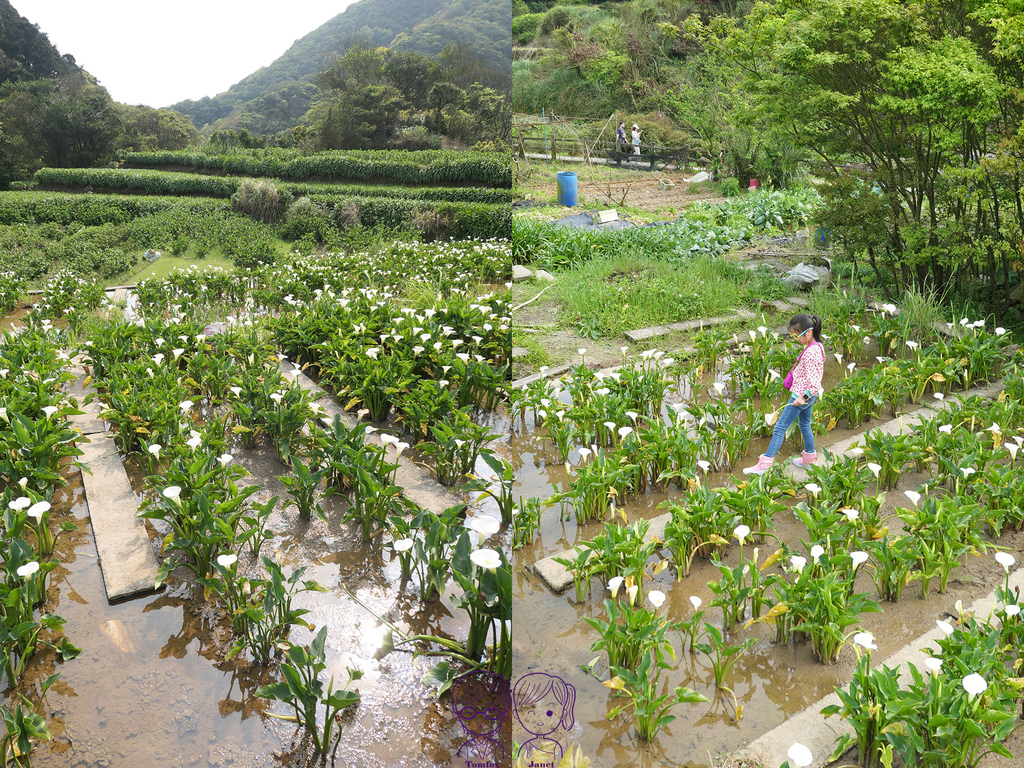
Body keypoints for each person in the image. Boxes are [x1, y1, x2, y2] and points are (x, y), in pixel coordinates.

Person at [744, 313, 825, 474]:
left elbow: (814, 381)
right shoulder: (818, 346)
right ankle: (809, 459)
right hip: (807, 396)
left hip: (801, 397)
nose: (796, 339)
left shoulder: (810, 352)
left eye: (797, 336)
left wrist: (803, 397)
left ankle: (765, 464)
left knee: (780, 427)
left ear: (809, 332)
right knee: (805, 424)